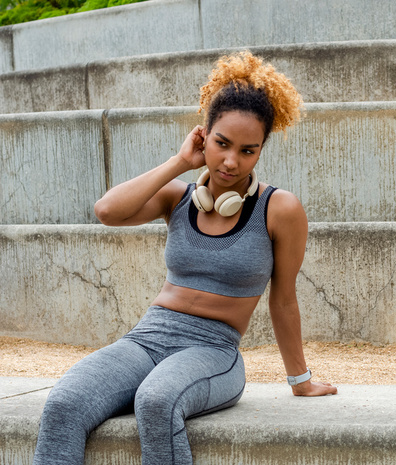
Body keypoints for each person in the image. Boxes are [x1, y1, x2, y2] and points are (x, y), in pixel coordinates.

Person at [33, 51, 337, 465]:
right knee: (64, 403)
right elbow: (107, 211)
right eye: (221, 143)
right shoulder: (178, 196)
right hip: (147, 338)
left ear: (262, 149)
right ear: (203, 135)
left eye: (247, 151)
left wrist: (300, 380)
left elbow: (283, 299)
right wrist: (179, 162)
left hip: (215, 352)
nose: (231, 161)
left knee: (156, 401)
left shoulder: (280, 209)